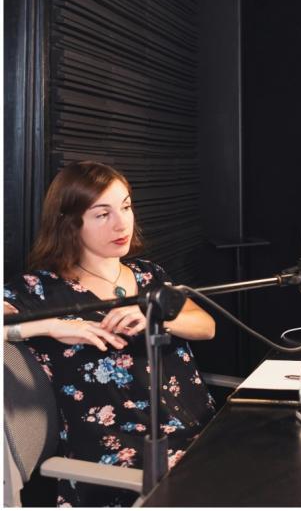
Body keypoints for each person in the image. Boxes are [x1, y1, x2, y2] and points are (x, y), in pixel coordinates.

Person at [3, 161, 216, 507]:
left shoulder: (149, 275)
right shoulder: (41, 289)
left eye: (126, 206)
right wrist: (51, 326)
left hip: (201, 434)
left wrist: (156, 317)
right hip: (124, 463)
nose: (122, 223)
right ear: (70, 223)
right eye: (102, 214)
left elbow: (206, 326)